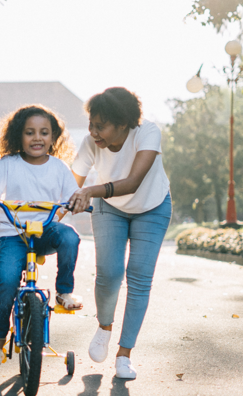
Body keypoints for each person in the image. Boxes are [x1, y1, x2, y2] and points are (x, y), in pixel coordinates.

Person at [0, 105, 84, 368]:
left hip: (44, 231)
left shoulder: (59, 168)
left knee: (70, 237)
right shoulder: (8, 164)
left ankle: (64, 292)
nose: (37, 138)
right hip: (12, 234)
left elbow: (73, 196)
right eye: (30, 133)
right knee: (7, 281)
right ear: (19, 136)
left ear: (53, 138)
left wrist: (78, 202)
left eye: (44, 132)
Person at [68, 87, 172, 379]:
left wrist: (89, 190)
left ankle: (124, 355)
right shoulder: (91, 143)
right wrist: (54, 212)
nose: (93, 132)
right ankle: (104, 327)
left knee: (139, 276)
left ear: (123, 124)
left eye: (101, 126)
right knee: (109, 273)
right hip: (109, 208)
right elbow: (70, 184)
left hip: (152, 206)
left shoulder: (147, 133)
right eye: (91, 124)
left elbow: (134, 182)